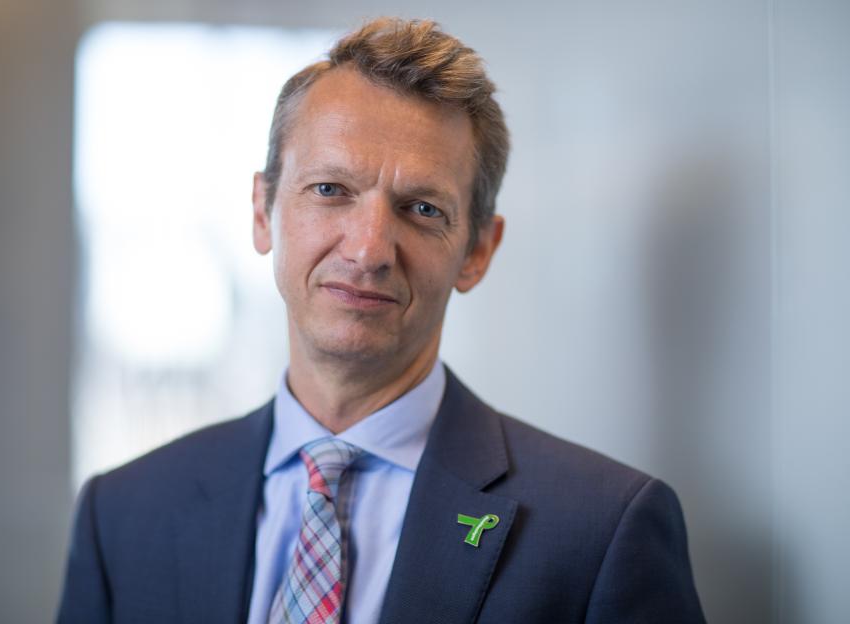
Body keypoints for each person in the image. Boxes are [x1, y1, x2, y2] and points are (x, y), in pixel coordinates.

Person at [57, 17, 706, 623]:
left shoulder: (601, 530)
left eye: (422, 209)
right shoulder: (121, 516)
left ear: (477, 250)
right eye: (331, 190)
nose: (368, 250)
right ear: (263, 212)